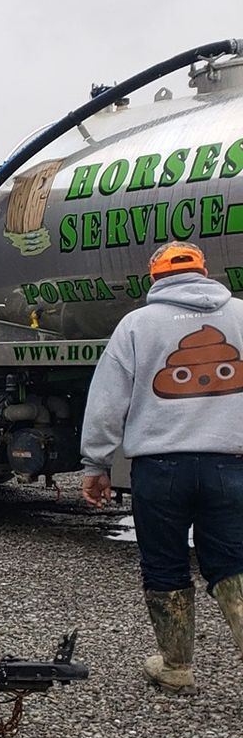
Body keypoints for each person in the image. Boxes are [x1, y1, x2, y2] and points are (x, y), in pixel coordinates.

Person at [80, 240, 243, 695]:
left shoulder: (137, 325)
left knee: (166, 564)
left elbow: (108, 402)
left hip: (161, 467)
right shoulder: (242, 316)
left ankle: (176, 667)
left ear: (155, 279)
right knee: (234, 563)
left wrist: (96, 464)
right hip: (231, 465)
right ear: (205, 271)